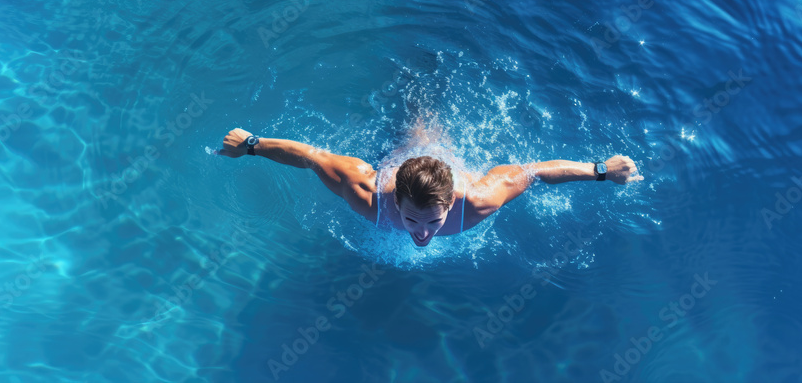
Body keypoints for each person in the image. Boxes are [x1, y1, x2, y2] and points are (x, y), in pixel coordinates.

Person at [219, 126, 643, 247]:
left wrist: (601, 170)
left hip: (441, 154)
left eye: (432, 222)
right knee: (409, 131)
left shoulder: (477, 201)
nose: (422, 233)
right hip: (399, 156)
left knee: (429, 129)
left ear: (450, 205)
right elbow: (312, 157)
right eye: (411, 220)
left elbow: (534, 172)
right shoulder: (368, 195)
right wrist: (251, 145)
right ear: (395, 202)